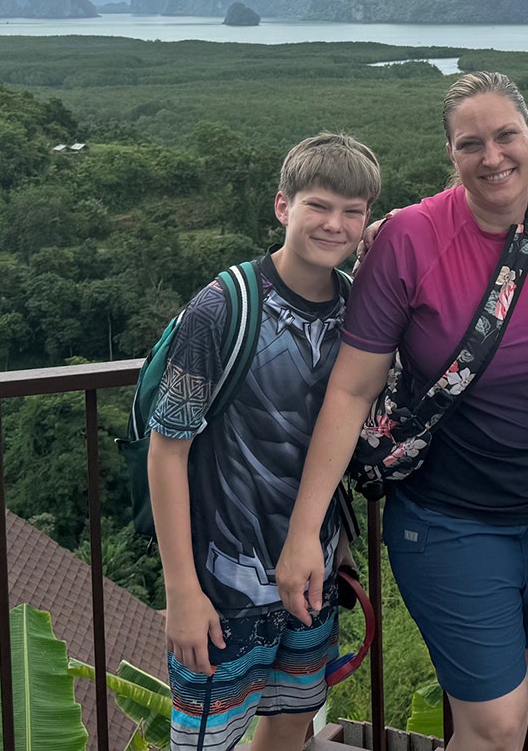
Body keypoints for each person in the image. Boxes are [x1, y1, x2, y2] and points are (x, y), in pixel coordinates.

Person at [277, 72, 528, 751]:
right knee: (497, 725)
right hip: (449, 521)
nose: (493, 156)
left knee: (513, 703)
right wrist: (307, 529)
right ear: (451, 155)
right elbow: (351, 390)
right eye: (470, 143)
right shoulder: (411, 239)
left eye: (507, 135)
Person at [148, 133, 382, 751]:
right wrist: (181, 593)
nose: (334, 224)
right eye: (319, 206)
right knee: (207, 739)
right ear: (283, 206)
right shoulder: (223, 307)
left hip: (310, 580)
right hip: (222, 588)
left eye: (352, 212)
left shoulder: (360, 309)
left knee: (289, 726)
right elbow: (167, 450)